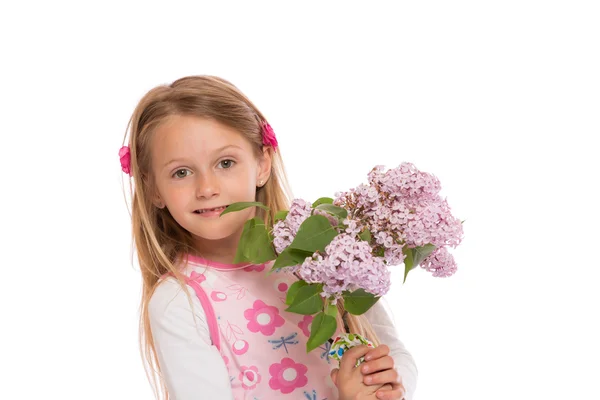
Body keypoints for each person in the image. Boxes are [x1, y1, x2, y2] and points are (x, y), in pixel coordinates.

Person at [120, 75, 418, 399]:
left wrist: (386, 383)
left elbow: (395, 354)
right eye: (182, 172)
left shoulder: (320, 253)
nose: (206, 188)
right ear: (152, 188)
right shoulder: (179, 302)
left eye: (225, 163)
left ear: (262, 163)